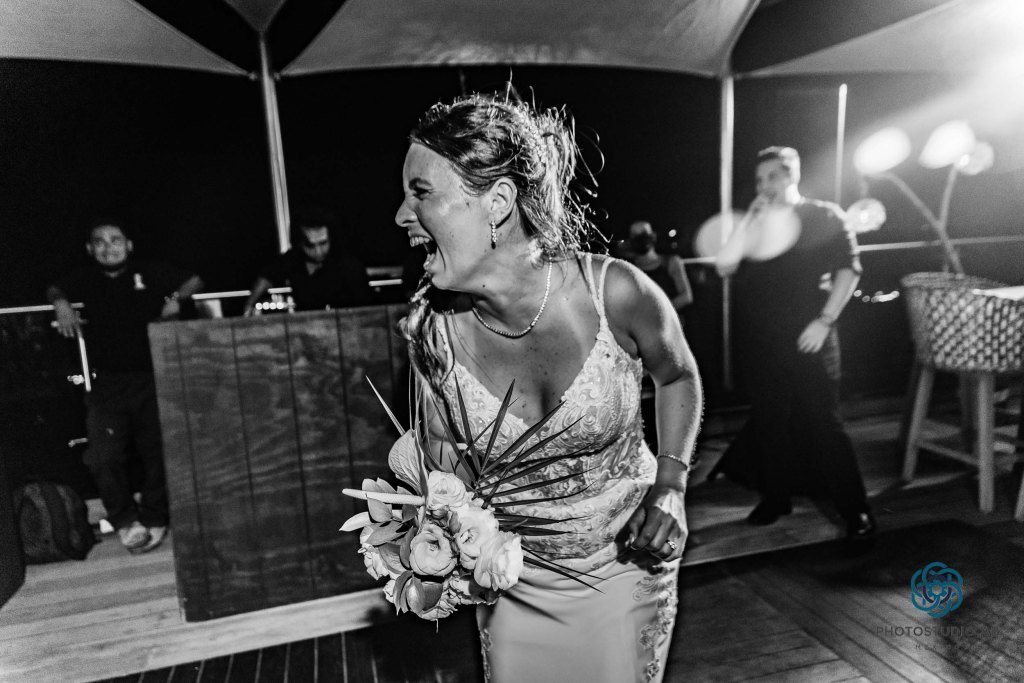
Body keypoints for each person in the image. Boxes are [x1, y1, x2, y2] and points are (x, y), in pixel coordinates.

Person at [394, 92, 703, 682]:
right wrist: (434, 538)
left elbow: (677, 375)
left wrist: (671, 485)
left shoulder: (616, 292)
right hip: (514, 582)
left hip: (628, 562)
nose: (402, 216)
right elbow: (447, 471)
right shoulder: (431, 335)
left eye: (421, 193)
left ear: (498, 201)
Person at [712, 146, 876, 539]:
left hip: (811, 337)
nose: (764, 185)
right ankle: (776, 498)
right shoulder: (757, 223)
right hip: (762, 341)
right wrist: (749, 219)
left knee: (825, 422)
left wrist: (825, 321)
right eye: (759, 179)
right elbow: (724, 265)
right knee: (770, 422)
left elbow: (849, 271)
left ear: (791, 176)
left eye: (772, 176)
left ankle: (856, 510)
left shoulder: (824, 215)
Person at [47, 219, 204, 553]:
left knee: (158, 451)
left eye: (115, 240)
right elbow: (55, 288)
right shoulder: (85, 278)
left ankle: (155, 516)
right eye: (100, 242)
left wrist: (175, 298)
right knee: (102, 457)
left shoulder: (149, 271)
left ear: (128, 245)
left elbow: (195, 279)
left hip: (153, 377)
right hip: (108, 383)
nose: (108, 247)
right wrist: (61, 303)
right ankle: (124, 519)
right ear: (90, 249)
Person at [242, 207, 372, 315]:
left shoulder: (349, 266)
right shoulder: (292, 260)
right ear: (299, 243)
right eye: (310, 246)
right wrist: (249, 305)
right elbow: (268, 275)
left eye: (323, 243)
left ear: (331, 238)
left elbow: (364, 310)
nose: (318, 251)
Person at [624, 220, 694, 317]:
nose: (640, 239)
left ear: (653, 236)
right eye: (636, 236)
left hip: (668, 322)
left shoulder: (670, 262)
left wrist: (657, 312)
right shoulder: (629, 268)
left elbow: (686, 296)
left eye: (644, 234)